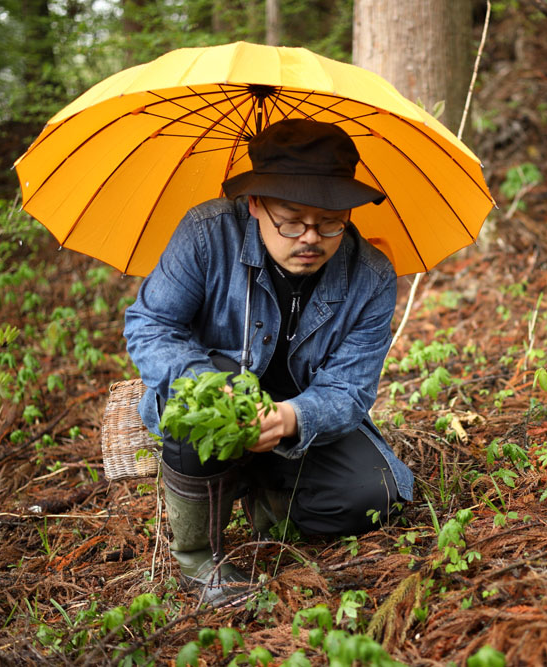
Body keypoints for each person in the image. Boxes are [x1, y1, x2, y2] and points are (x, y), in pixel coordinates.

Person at [124, 119, 413, 604]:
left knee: (373, 492)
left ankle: (266, 496)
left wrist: (290, 418)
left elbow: (350, 389)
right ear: (255, 202)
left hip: (298, 417)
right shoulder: (207, 234)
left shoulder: (372, 276)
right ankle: (198, 555)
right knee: (197, 400)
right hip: (219, 397)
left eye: (330, 221)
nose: (310, 239)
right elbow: (150, 325)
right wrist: (211, 387)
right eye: (292, 220)